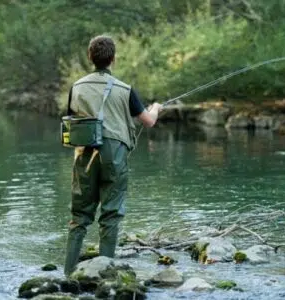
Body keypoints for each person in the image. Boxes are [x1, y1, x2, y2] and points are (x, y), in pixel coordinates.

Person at [63, 35, 163, 276]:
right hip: (114, 154)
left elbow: (71, 120)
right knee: (111, 213)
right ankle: (105, 273)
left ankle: (67, 275)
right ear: (113, 59)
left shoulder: (76, 87)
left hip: (84, 154)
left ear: (90, 57)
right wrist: (157, 108)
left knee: (79, 216)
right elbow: (148, 122)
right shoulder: (124, 89)